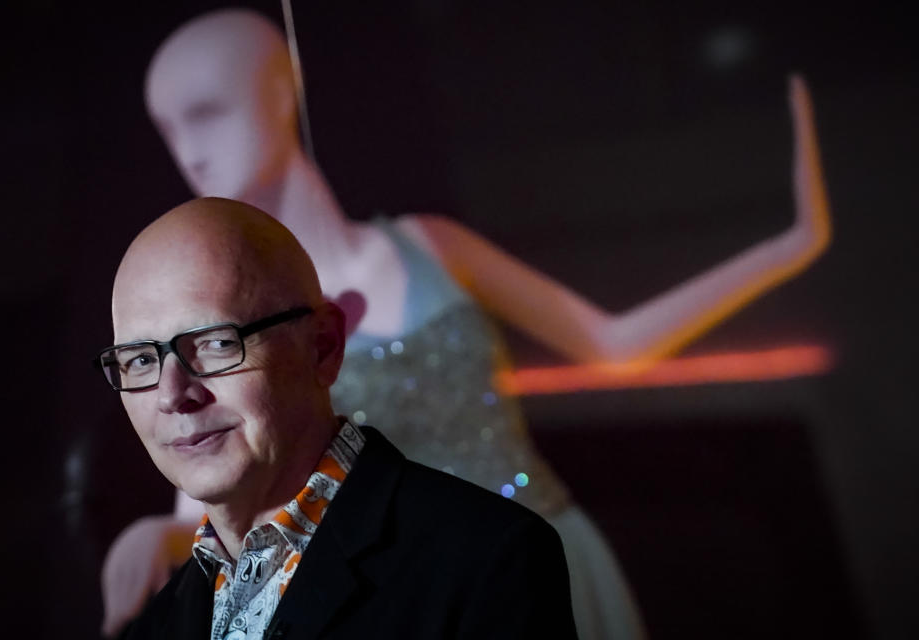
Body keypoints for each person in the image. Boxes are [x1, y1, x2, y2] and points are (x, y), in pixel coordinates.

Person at [102, 8, 831, 638]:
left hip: (539, 544)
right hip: (389, 593)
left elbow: (612, 342)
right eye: (169, 126)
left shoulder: (428, 248)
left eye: (207, 111)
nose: (188, 148)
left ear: (280, 89)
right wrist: (151, 538)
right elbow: (215, 485)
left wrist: (786, 248)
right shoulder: (214, 338)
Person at [99, 196, 578, 639]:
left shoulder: (486, 562)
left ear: (323, 347)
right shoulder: (156, 624)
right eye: (140, 359)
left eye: (215, 343)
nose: (172, 394)